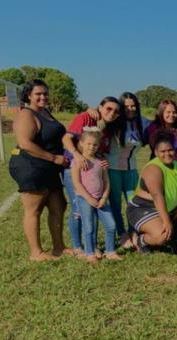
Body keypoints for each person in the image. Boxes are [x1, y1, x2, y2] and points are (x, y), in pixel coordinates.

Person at [8, 79, 69, 261]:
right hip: (31, 166)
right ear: (29, 95)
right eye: (38, 94)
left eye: (45, 93)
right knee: (34, 210)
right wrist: (54, 158)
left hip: (49, 167)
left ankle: (59, 247)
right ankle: (36, 252)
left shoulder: (46, 112)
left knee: (59, 206)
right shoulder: (26, 115)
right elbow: (25, 143)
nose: (43, 97)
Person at [62, 96, 122, 256]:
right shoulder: (86, 117)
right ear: (100, 107)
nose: (112, 113)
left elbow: (101, 153)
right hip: (74, 168)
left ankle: (93, 246)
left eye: (116, 111)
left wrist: (102, 163)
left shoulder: (108, 129)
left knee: (92, 212)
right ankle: (78, 246)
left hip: (93, 170)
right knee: (78, 209)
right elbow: (66, 138)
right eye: (109, 108)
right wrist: (77, 155)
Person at [127, 131, 177, 253]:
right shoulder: (153, 169)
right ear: (156, 153)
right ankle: (141, 240)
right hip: (143, 208)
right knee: (162, 236)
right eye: (162, 151)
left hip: (168, 208)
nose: (167, 154)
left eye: (170, 150)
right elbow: (158, 197)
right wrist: (167, 222)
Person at [70, 128, 121, 263]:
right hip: (85, 199)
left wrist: (104, 197)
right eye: (88, 144)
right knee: (89, 227)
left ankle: (110, 251)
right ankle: (90, 253)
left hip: (101, 199)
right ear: (81, 143)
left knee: (111, 225)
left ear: (99, 146)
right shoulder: (77, 162)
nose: (91, 147)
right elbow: (76, 183)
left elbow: (106, 181)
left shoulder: (101, 162)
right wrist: (89, 198)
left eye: (95, 145)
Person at [108, 92, 149, 245]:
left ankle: (134, 233)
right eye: (126, 107)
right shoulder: (114, 121)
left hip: (132, 169)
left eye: (133, 106)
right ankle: (122, 234)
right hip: (113, 169)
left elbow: (161, 124)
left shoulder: (143, 122)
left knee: (134, 203)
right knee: (116, 204)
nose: (130, 109)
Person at [146, 99, 177, 171]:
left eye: (174, 112)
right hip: (159, 167)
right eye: (168, 112)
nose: (172, 115)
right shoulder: (153, 128)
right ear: (161, 112)